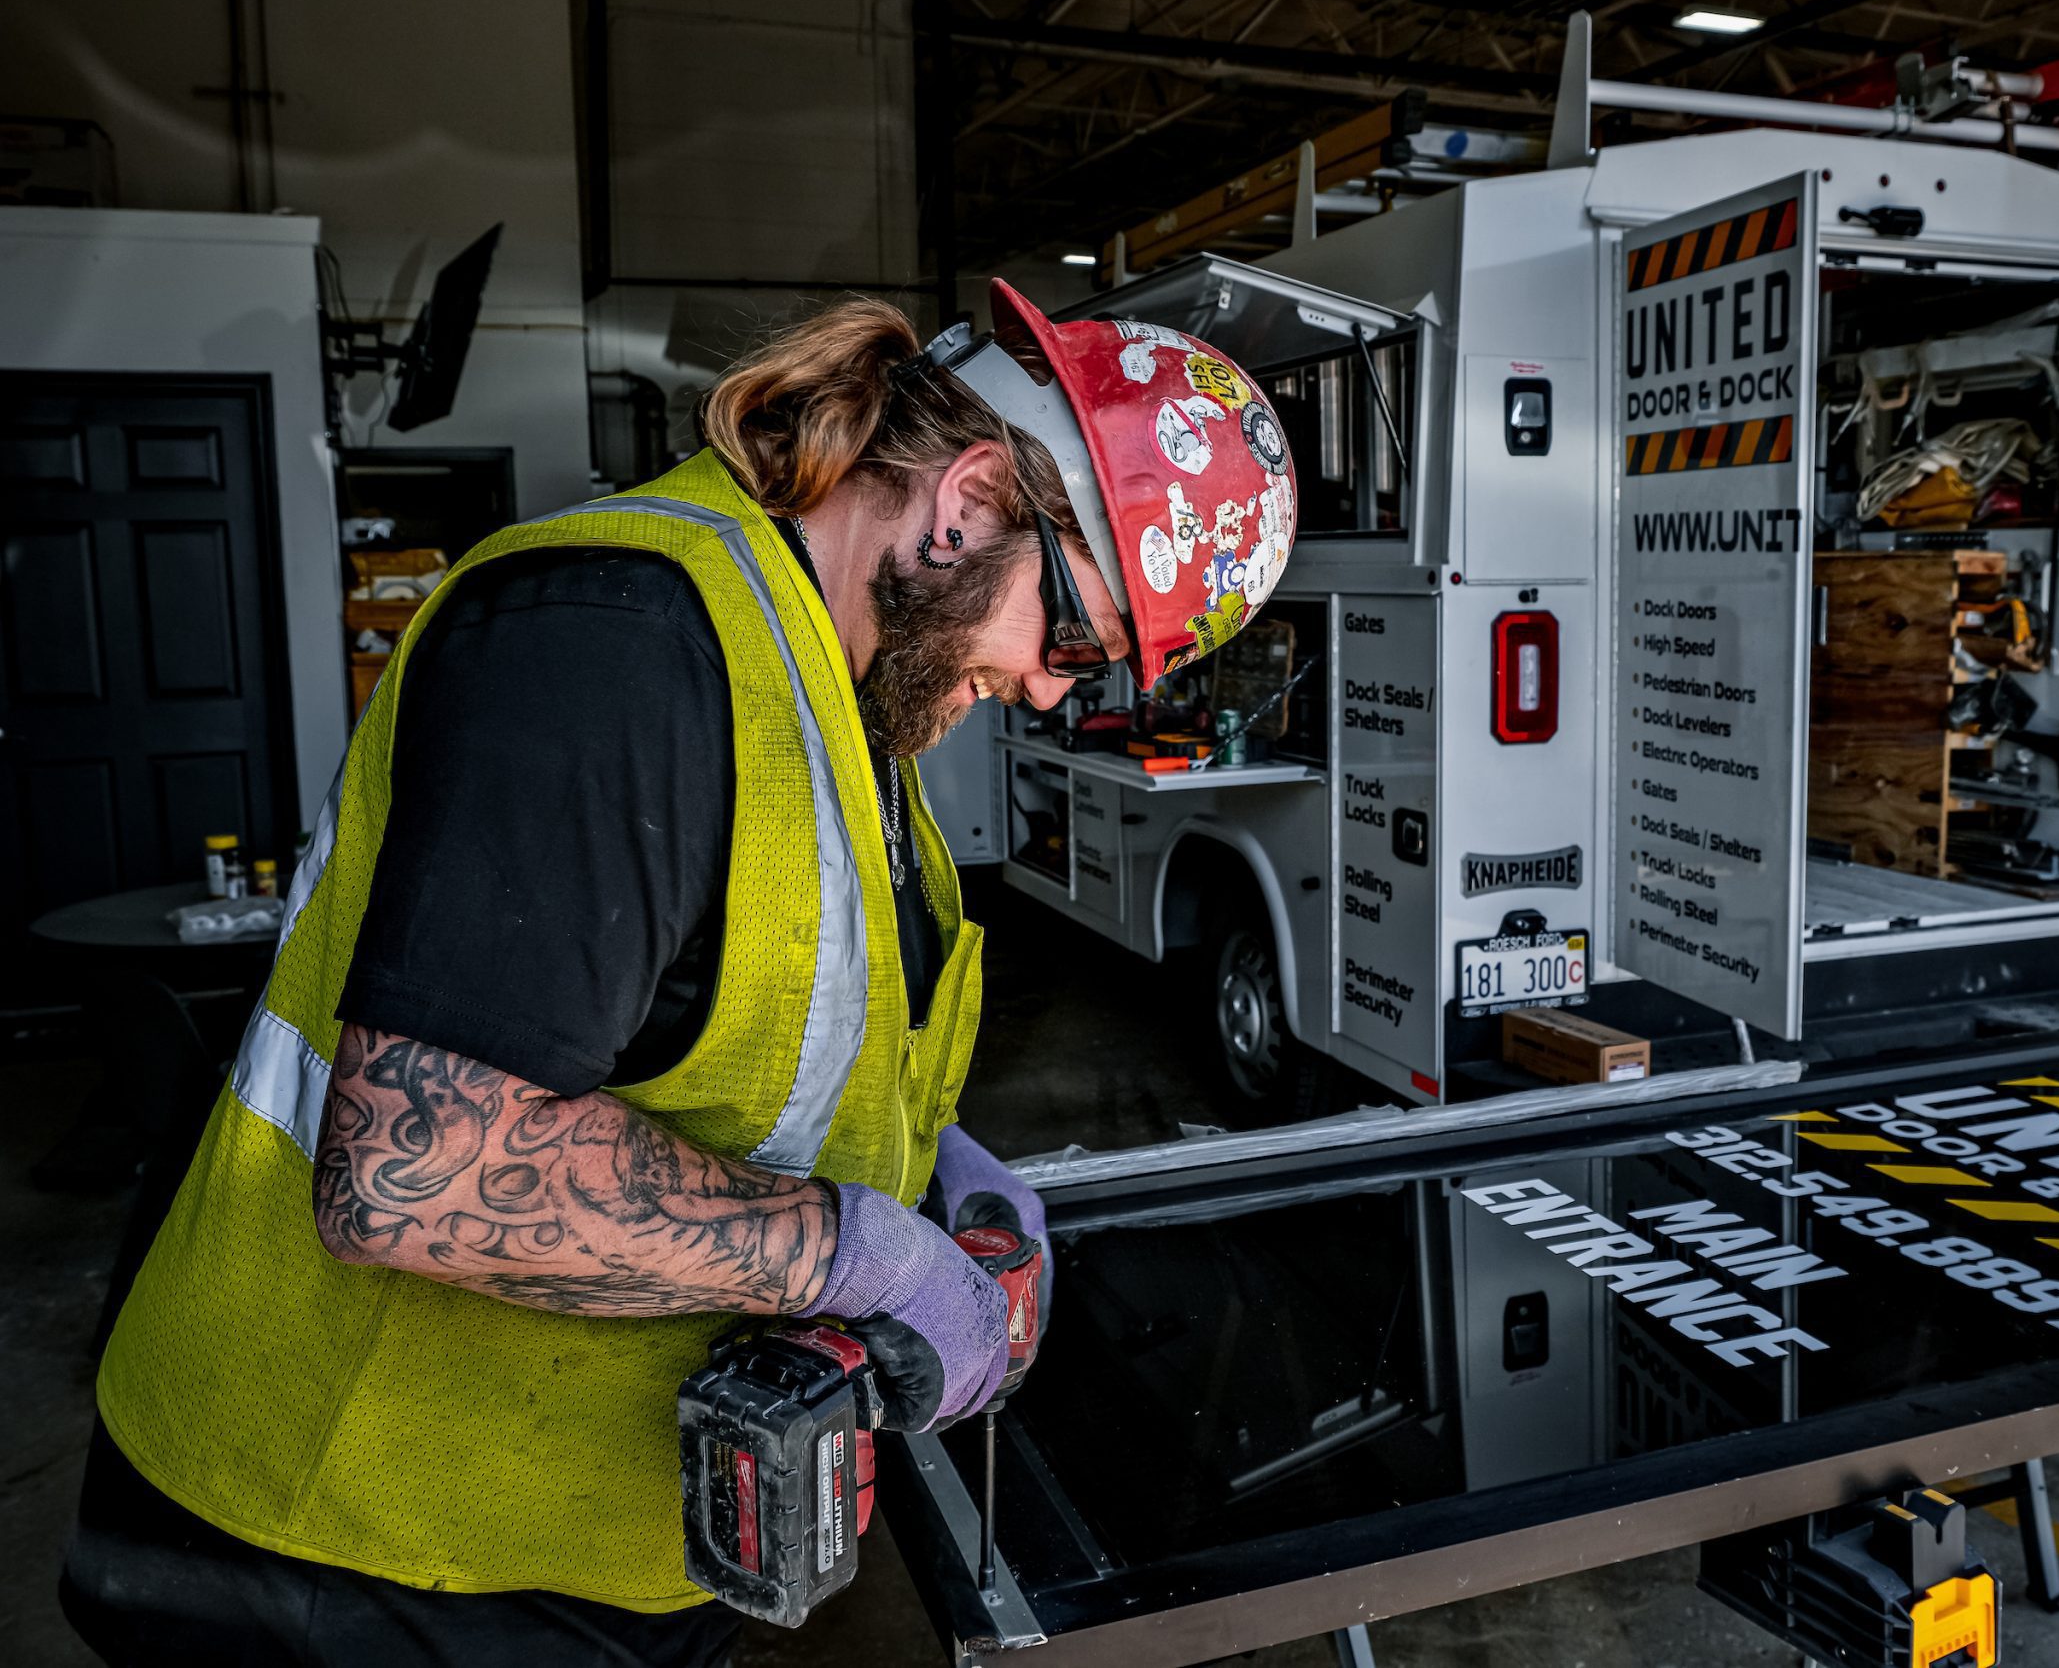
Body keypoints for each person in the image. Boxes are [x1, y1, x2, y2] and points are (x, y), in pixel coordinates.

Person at [60, 283, 1295, 1666]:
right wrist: (862, 1254)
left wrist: (937, 1167)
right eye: (1072, 639)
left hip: (602, 1538)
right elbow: (418, 1168)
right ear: (967, 501)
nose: (1058, 693)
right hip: (347, 1557)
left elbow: (748, 1030)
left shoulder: (852, 706)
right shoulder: (615, 642)